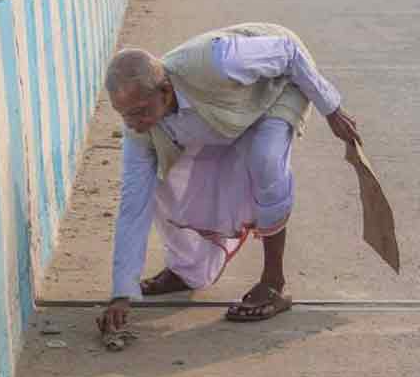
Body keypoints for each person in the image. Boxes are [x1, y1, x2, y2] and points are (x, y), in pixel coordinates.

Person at [97, 23, 361, 333]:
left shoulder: (216, 61)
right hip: (229, 113)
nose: (134, 123)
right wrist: (121, 294)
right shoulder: (138, 129)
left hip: (278, 87)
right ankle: (187, 271)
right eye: (124, 114)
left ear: (165, 90)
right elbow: (133, 206)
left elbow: (288, 54)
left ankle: (273, 283)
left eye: (140, 112)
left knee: (265, 160)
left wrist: (331, 108)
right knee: (161, 182)